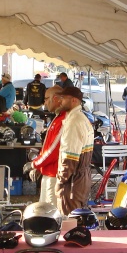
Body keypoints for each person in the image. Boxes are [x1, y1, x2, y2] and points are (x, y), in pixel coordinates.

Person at [55, 86, 94, 215]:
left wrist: (60, 182)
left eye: (63, 98)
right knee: (78, 220)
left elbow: (69, 159)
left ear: (74, 100)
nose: (60, 101)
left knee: (69, 224)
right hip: (81, 179)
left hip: (72, 183)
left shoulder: (73, 122)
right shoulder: (82, 118)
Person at [24, 85, 64, 204]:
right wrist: (39, 166)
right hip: (49, 174)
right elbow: (48, 147)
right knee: (45, 213)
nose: (44, 102)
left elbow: (53, 151)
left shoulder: (63, 119)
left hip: (54, 175)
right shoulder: (57, 118)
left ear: (56, 99)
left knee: (51, 215)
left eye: (47, 98)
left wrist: (35, 164)